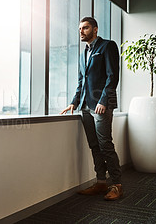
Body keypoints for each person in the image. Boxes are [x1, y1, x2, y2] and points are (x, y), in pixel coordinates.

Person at [60, 17, 122, 201]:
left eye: (85, 28)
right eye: (80, 28)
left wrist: (103, 100)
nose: (81, 31)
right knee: (94, 146)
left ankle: (117, 185)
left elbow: (113, 77)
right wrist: (74, 101)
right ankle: (101, 182)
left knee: (105, 145)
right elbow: (81, 82)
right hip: (85, 106)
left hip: (101, 105)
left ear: (95, 29)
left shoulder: (107, 46)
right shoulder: (82, 55)